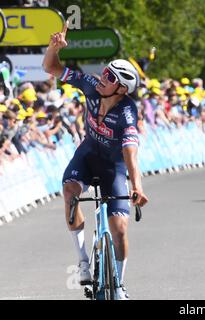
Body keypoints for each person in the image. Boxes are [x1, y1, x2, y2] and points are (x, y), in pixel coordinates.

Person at [42, 22, 149, 300]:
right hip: (88, 155)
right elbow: (51, 68)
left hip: (114, 167)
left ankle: (120, 284)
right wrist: (54, 48)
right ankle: (83, 261)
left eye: (110, 77)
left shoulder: (126, 112)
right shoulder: (90, 85)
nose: (102, 77)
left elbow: (130, 154)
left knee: (120, 228)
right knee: (69, 191)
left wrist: (137, 185)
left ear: (122, 89)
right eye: (105, 71)